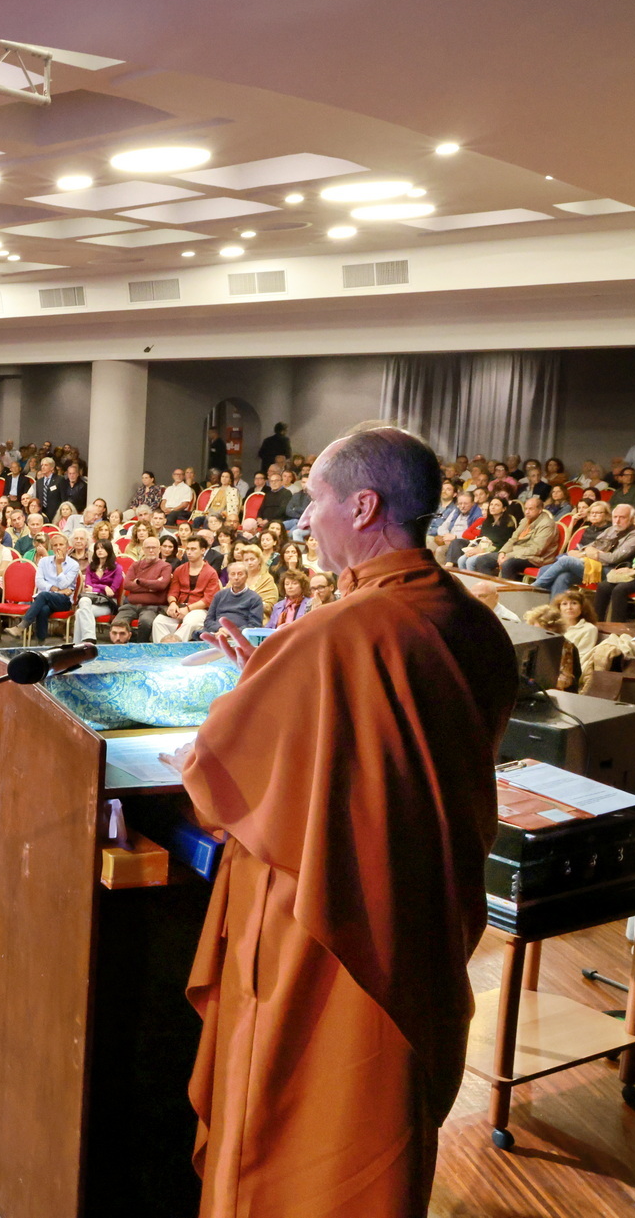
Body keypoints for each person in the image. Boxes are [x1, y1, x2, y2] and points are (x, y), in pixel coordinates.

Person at [168, 423, 516, 1216]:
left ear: (363, 505)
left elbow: (217, 766)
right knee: (383, 1119)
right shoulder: (473, 623)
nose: (306, 521)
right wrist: (276, 676)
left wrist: (262, 691)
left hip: (328, 928)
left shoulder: (338, 633)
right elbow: (402, 765)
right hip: (420, 923)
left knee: (299, 1128)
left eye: (315, 502)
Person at [152, 537, 221, 643]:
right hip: (179, 606)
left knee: (190, 622)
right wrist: (173, 603)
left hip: (199, 610)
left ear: (202, 550)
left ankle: (176, 649)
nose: (189, 552)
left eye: (193, 549)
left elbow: (208, 599)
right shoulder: (180, 570)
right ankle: (162, 652)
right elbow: (173, 591)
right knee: (158, 621)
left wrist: (188, 609)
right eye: (188, 549)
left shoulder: (211, 572)